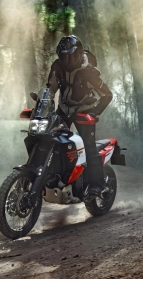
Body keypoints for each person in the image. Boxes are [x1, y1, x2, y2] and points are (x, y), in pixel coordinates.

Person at [45, 35, 113, 197]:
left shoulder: (89, 72)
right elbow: (50, 89)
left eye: (71, 56)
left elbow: (107, 95)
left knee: (89, 146)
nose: (67, 60)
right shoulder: (57, 66)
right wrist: (44, 104)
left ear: (79, 54)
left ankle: (97, 185)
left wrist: (95, 112)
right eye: (64, 56)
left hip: (84, 111)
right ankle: (56, 177)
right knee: (50, 140)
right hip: (64, 109)